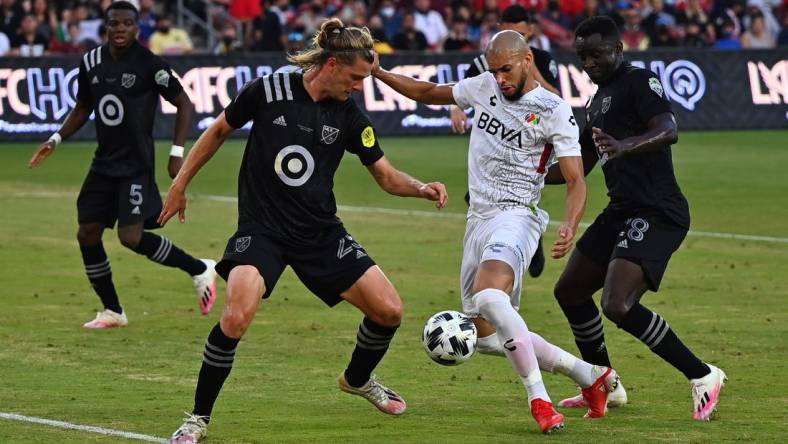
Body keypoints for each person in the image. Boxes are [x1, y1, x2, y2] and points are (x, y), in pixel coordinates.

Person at [162, 18, 448, 443]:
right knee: (237, 314)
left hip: (320, 232)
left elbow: (386, 176)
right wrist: (180, 183)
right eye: (354, 77)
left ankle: (356, 379)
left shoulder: (349, 114)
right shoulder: (269, 90)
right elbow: (220, 129)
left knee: (389, 311)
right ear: (332, 64)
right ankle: (198, 419)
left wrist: (423, 188)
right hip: (262, 230)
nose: (359, 87)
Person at [372, 30, 618, 434]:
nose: (500, 78)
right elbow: (428, 92)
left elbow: (577, 179)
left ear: (526, 61)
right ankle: (590, 376)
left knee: (489, 297)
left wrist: (570, 224)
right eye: (494, 70)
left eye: (507, 69)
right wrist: (380, 72)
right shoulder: (484, 86)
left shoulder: (554, 109)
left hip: (517, 215)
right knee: (488, 334)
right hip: (478, 219)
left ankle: (539, 400)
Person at [551, 16, 726, 421]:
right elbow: (579, 165)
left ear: (618, 50)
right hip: (621, 211)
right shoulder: (595, 103)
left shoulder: (638, 81)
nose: (589, 63)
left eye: (597, 54)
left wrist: (627, 146)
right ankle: (604, 383)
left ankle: (702, 375)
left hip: (658, 210)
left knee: (617, 303)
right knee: (571, 292)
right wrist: (520, 175)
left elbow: (668, 129)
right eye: (582, 57)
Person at [27, 1, 217, 329]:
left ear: (137, 27)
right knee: (87, 233)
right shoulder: (91, 62)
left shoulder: (149, 64)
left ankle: (199, 268)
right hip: (104, 163)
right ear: (106, 26)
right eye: (114, 24)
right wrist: (55, 139)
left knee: (130, 237)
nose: (119, 30)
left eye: (127, 24)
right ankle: (113, 311)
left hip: (135, 166)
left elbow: (184, 103)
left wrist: (176, 153)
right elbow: (83, 105)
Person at [449, 5, 562, 279]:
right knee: (484, 197)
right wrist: (456, 108)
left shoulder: (543, 60)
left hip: (531, 139)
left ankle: (524, 237)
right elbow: (461, 88)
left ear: (531, 32)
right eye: (509, 32)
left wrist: (529, 69)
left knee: (522, 196)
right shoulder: (484, 62)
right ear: (498, 29)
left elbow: (556, 96)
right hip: (497, 139)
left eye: (521, 33)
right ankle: (508, 240)